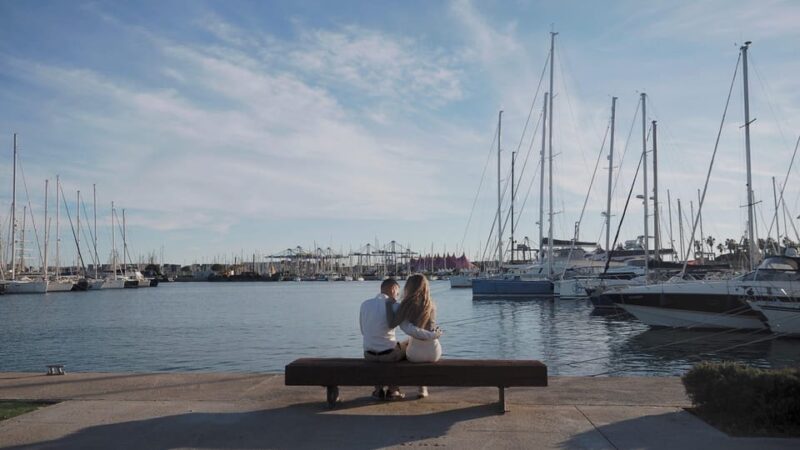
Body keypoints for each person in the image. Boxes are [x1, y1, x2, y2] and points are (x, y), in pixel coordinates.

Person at [390, 273, 443, 398]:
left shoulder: (405, 305)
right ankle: (423, 389)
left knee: (400, 348)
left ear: (409, 287)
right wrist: (434, 333)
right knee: (411, 342)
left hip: (415, 355)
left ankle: (394, 387)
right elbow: (429, 329)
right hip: (434, 353)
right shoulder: (431, 305)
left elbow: (400, 326)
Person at [359, 278, 407, 400]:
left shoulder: (365, 304)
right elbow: (406, 327)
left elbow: (363, 331)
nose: (397, 295)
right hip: (389, 355)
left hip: (368, 354)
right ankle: (393, 390)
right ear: (393, 289)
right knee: (408, 346)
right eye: (397, 291)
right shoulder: (395, 306)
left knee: (378, 349)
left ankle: (378, 389)